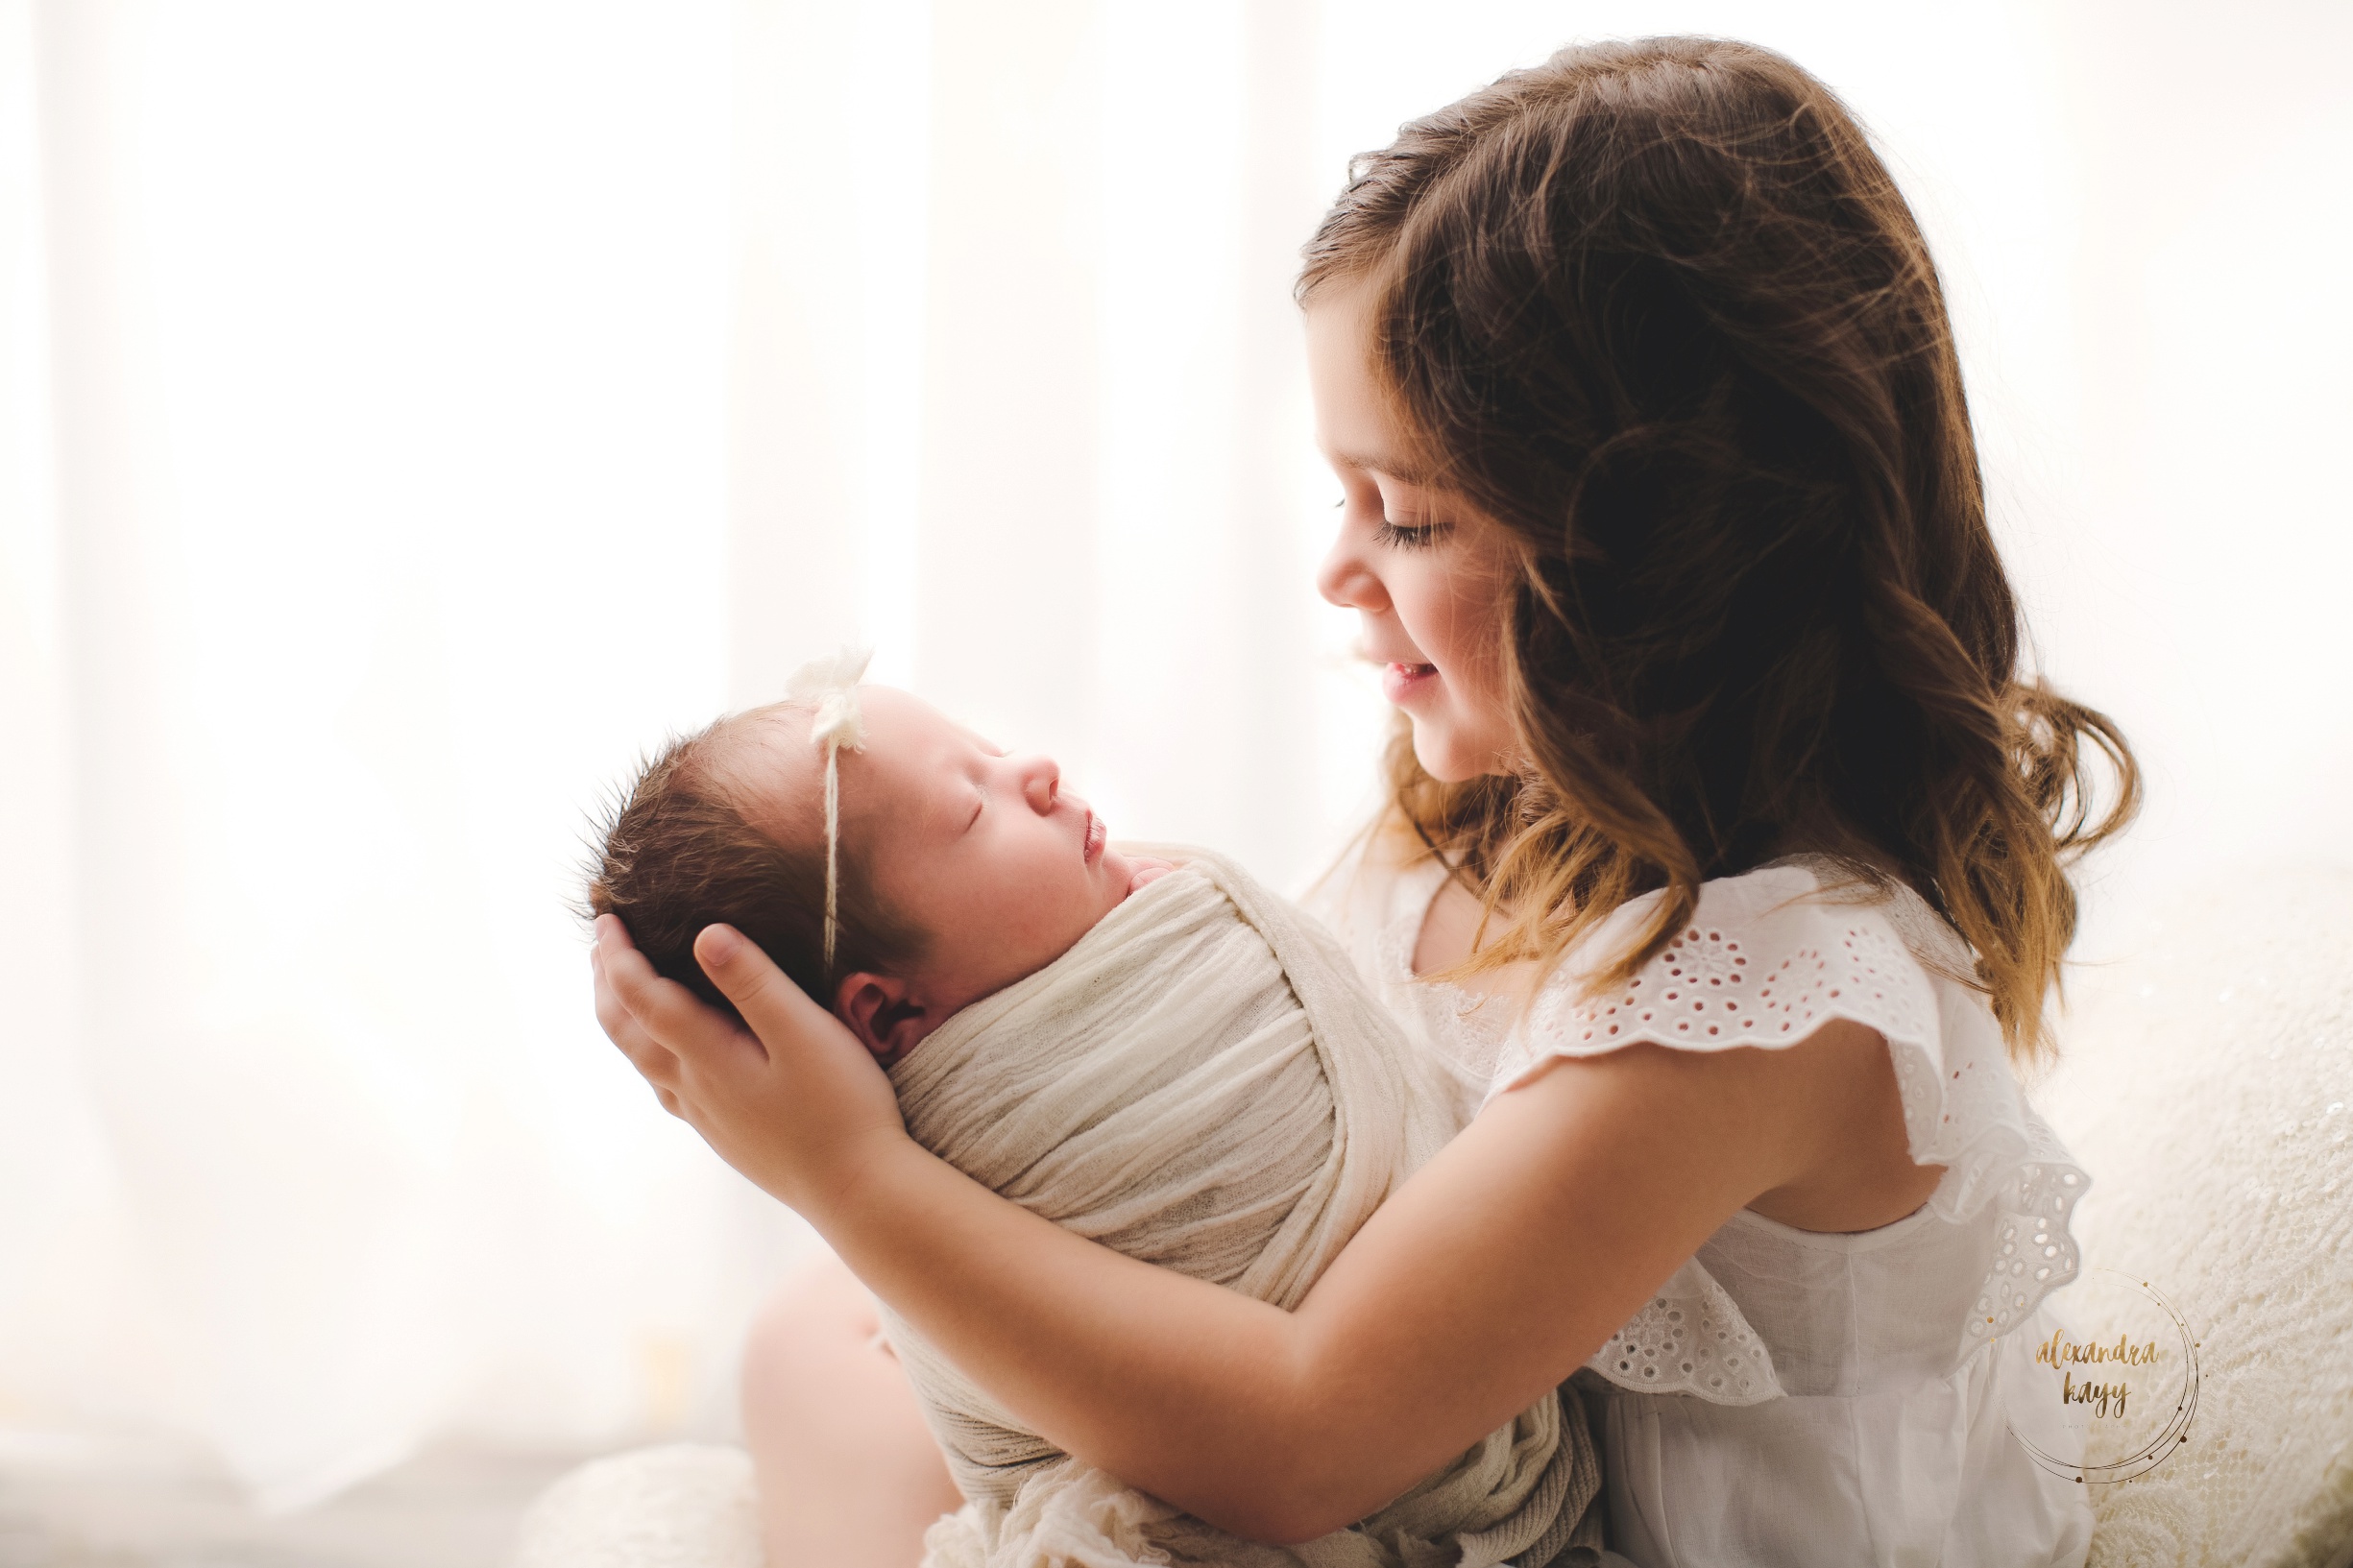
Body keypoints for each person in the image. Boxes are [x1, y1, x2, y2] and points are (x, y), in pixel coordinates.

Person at [592, 36, 2137, 1567]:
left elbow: (1301, 1437)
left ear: (1664, 558)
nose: (1338, 569)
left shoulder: (1772, 995)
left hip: (1501, 1497)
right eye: (1341, 496)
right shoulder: (1501, 808)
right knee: (816, 1344)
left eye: (1401, 514)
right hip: (1445, 1472)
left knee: (868, 1310)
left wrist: (846, 1175)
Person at [583, 678, 1606, 1564]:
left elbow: (1291, 1432)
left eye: (987, 754)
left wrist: (844, 1173)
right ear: (887, 1013)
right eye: (972, 808)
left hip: (1315, 1455)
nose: (1033, 769)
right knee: (802, 1329)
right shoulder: (1002, 1095)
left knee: (807, 1337)